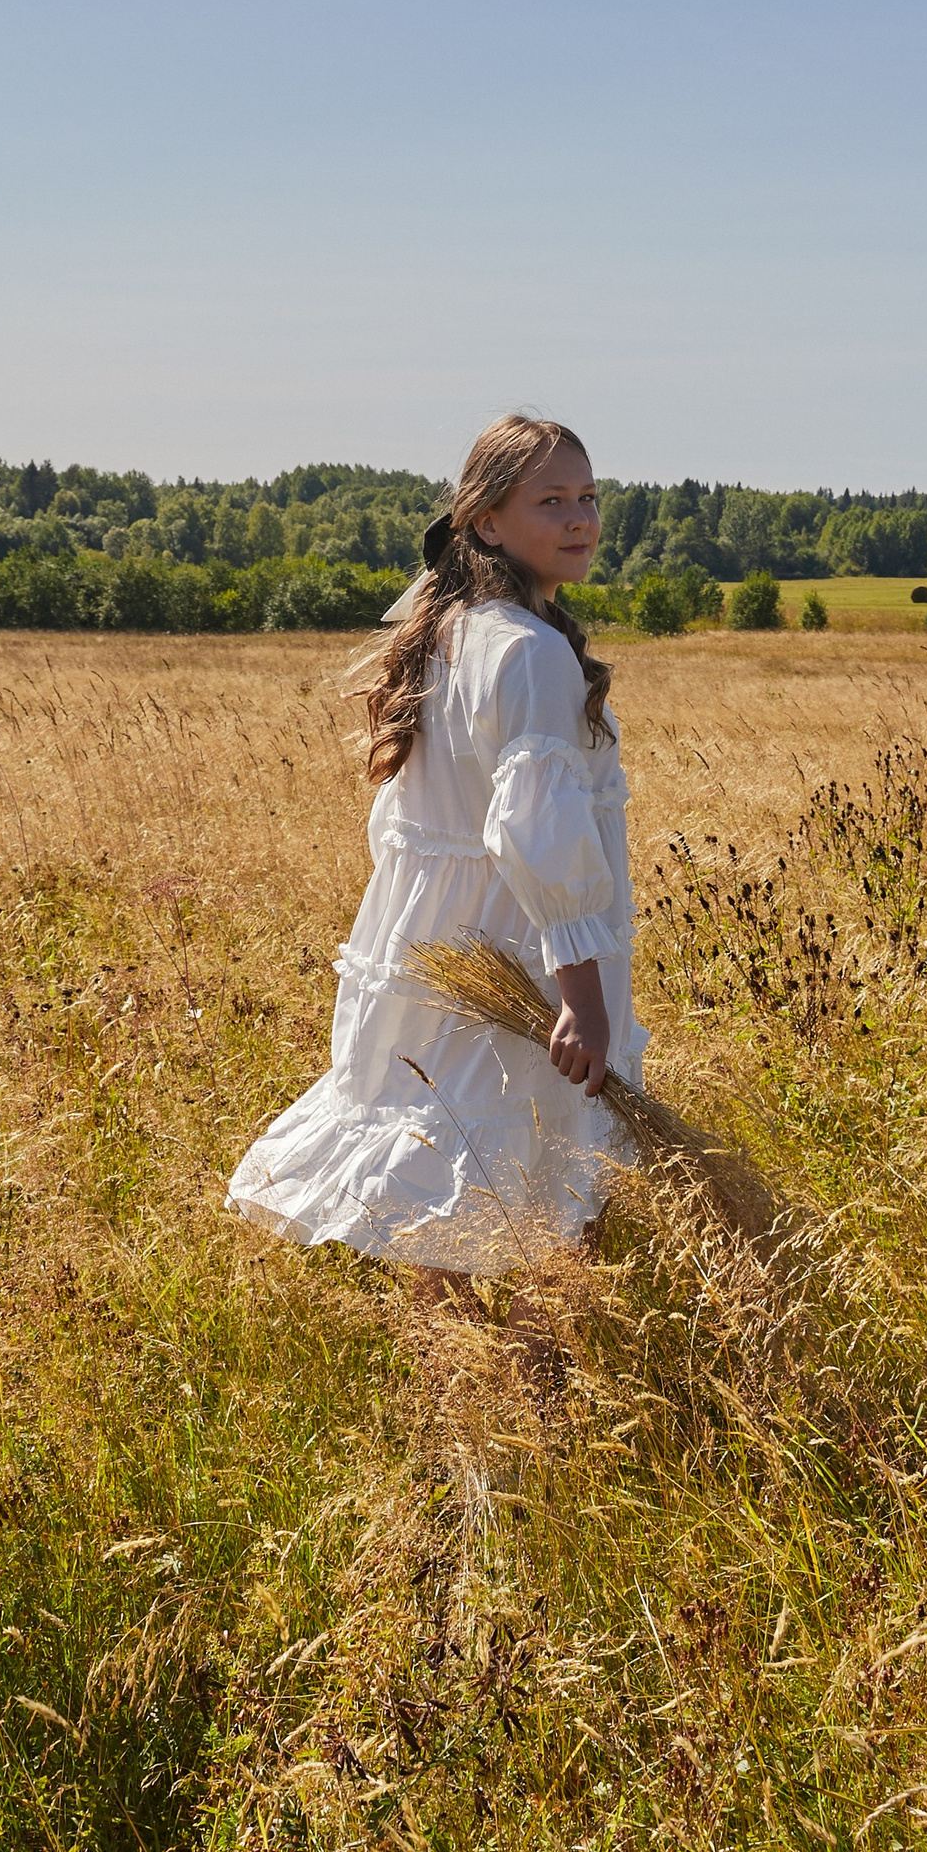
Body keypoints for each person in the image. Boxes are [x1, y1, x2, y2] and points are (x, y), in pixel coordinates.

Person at [226, 412, 643, 1273]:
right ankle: (533, 1390)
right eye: (551, 500)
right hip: (520, 954)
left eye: (589, 497)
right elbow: (537, 831)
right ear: (486, 521)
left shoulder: (445, 631)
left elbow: (411, 822)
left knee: (445, 1180)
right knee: (543, 1193)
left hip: (437, 945)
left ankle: (461, 1382)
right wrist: (584, 998)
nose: (579, 520)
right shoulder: (527, 651)